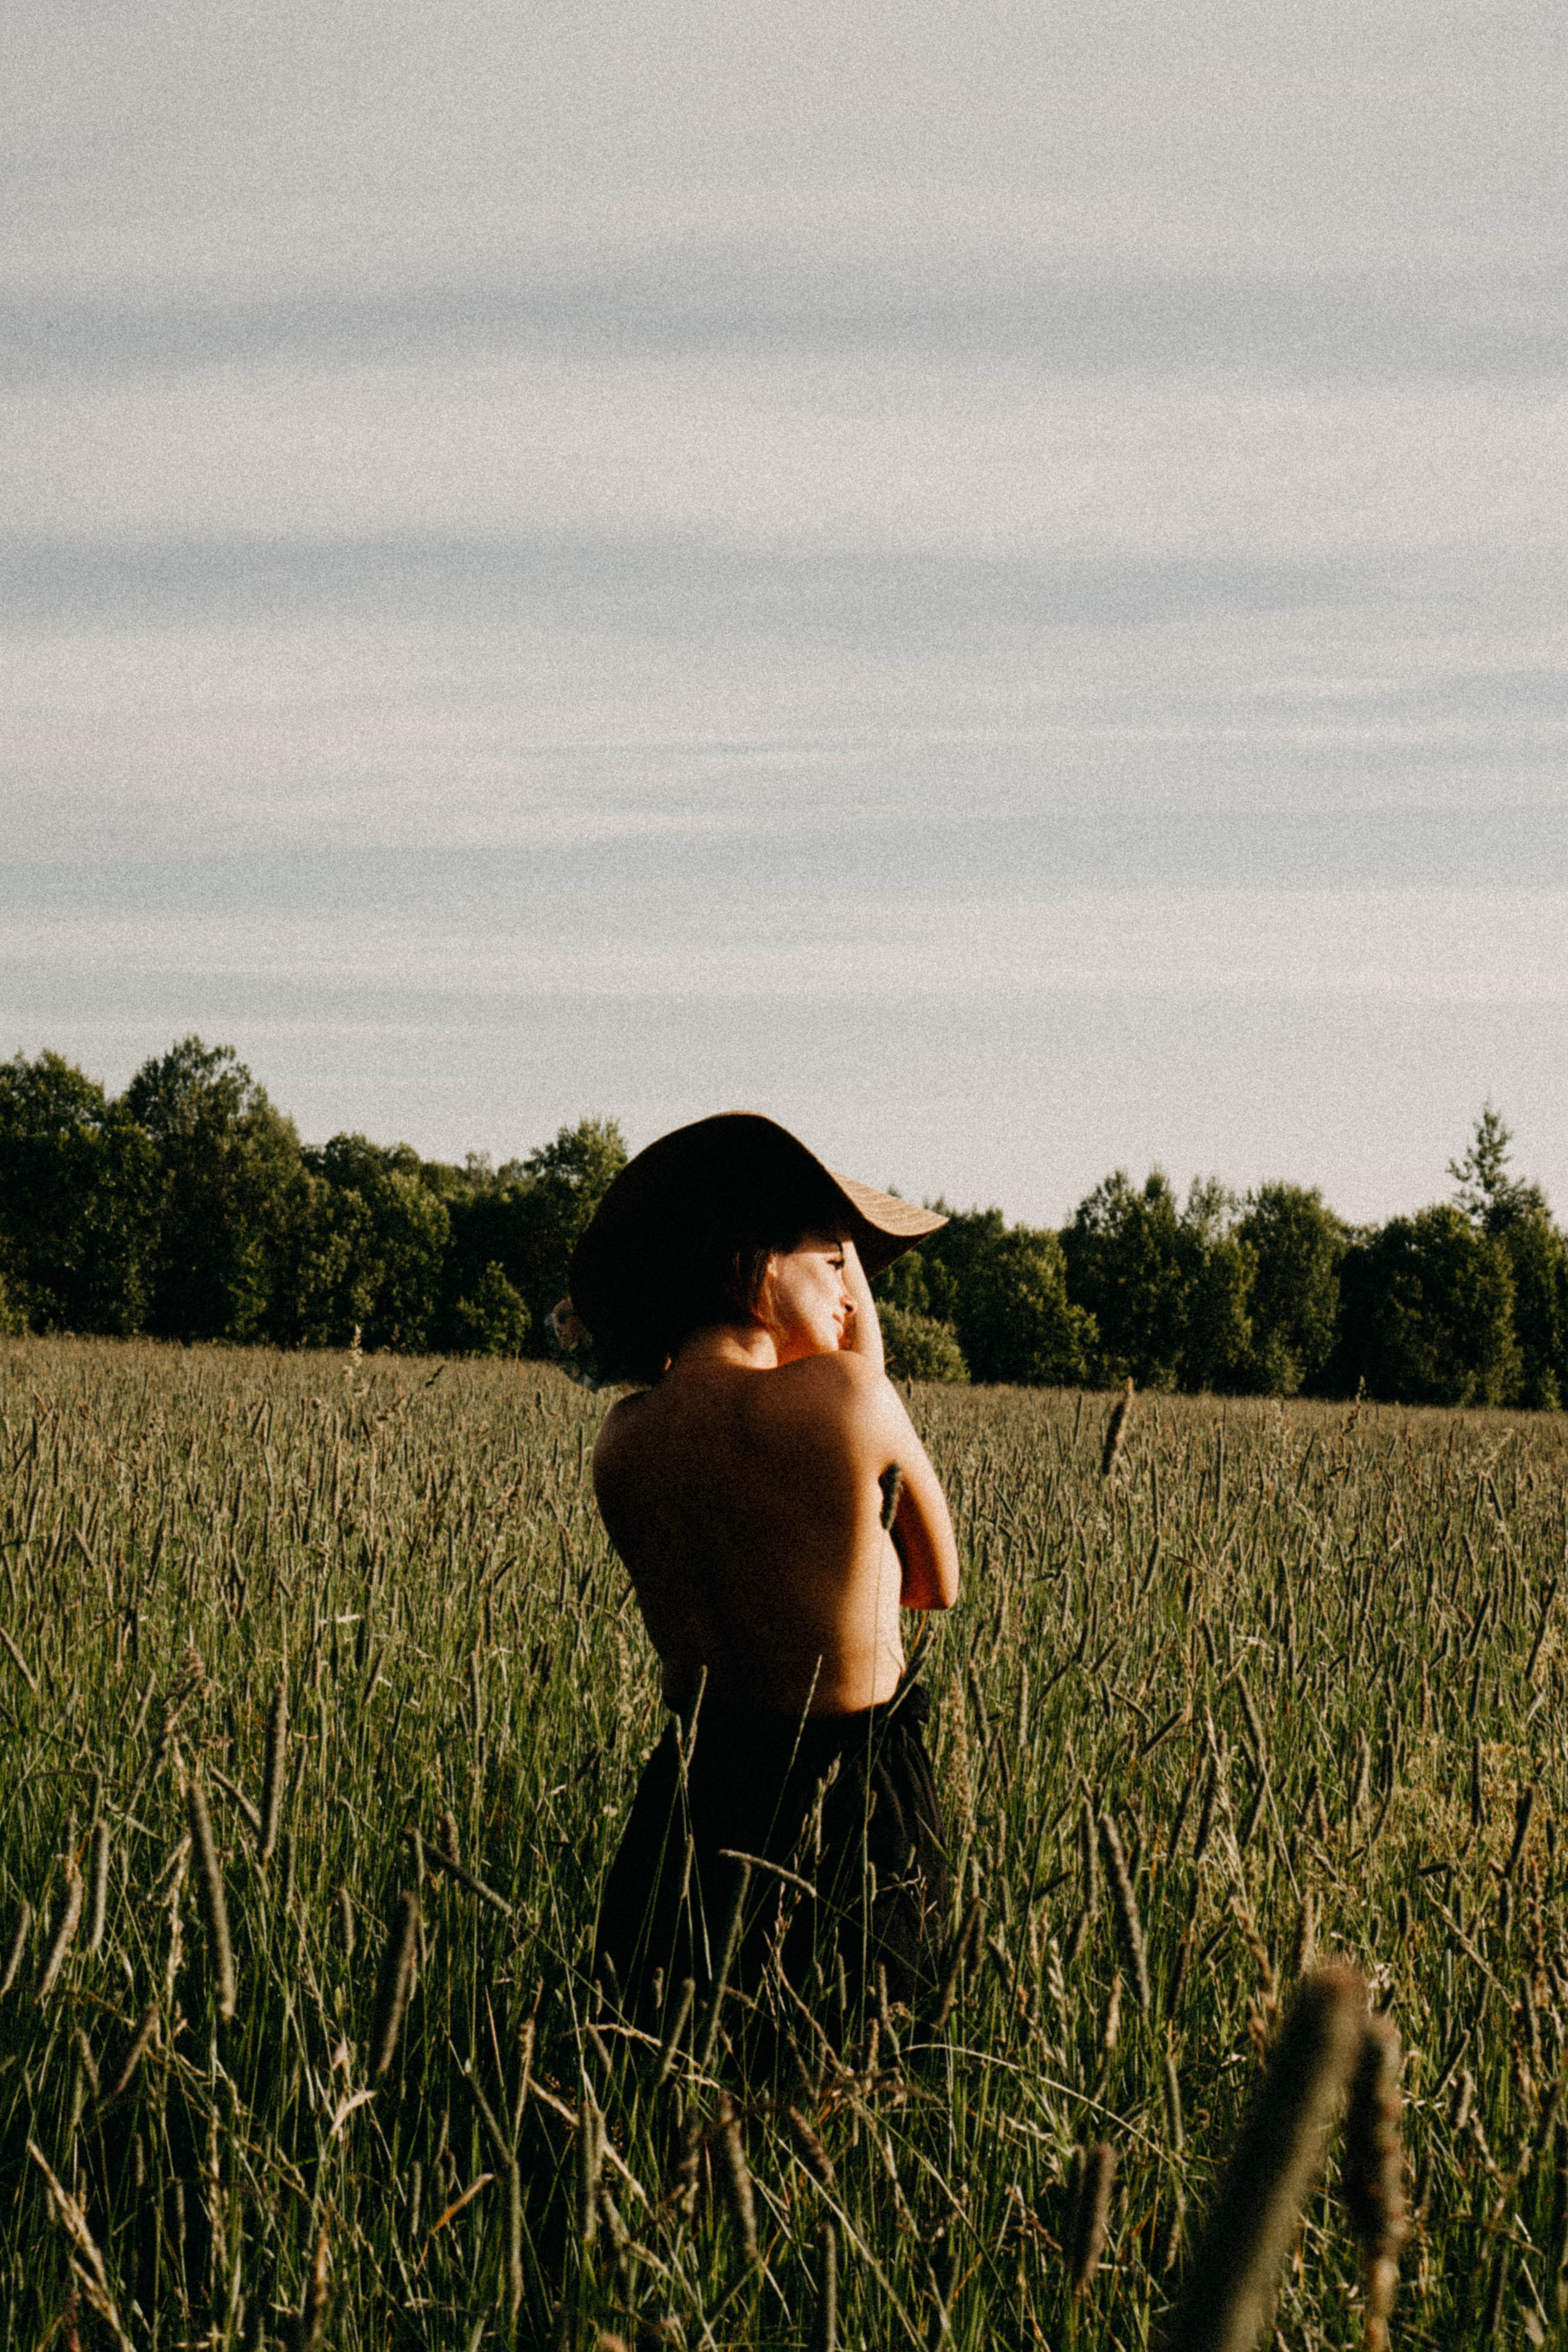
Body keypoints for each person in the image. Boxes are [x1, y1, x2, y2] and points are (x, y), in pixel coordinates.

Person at [561, 1112, 961, 2048]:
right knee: (852, 2086)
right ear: (755, 1264)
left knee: (674, 2077)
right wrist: (867, 1363)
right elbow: (934, 1582)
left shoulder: (622, 1440)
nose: (852, 1297)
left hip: (692, 1799)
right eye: (834, 1261)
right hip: (851, 1799)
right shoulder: (849, 1396)